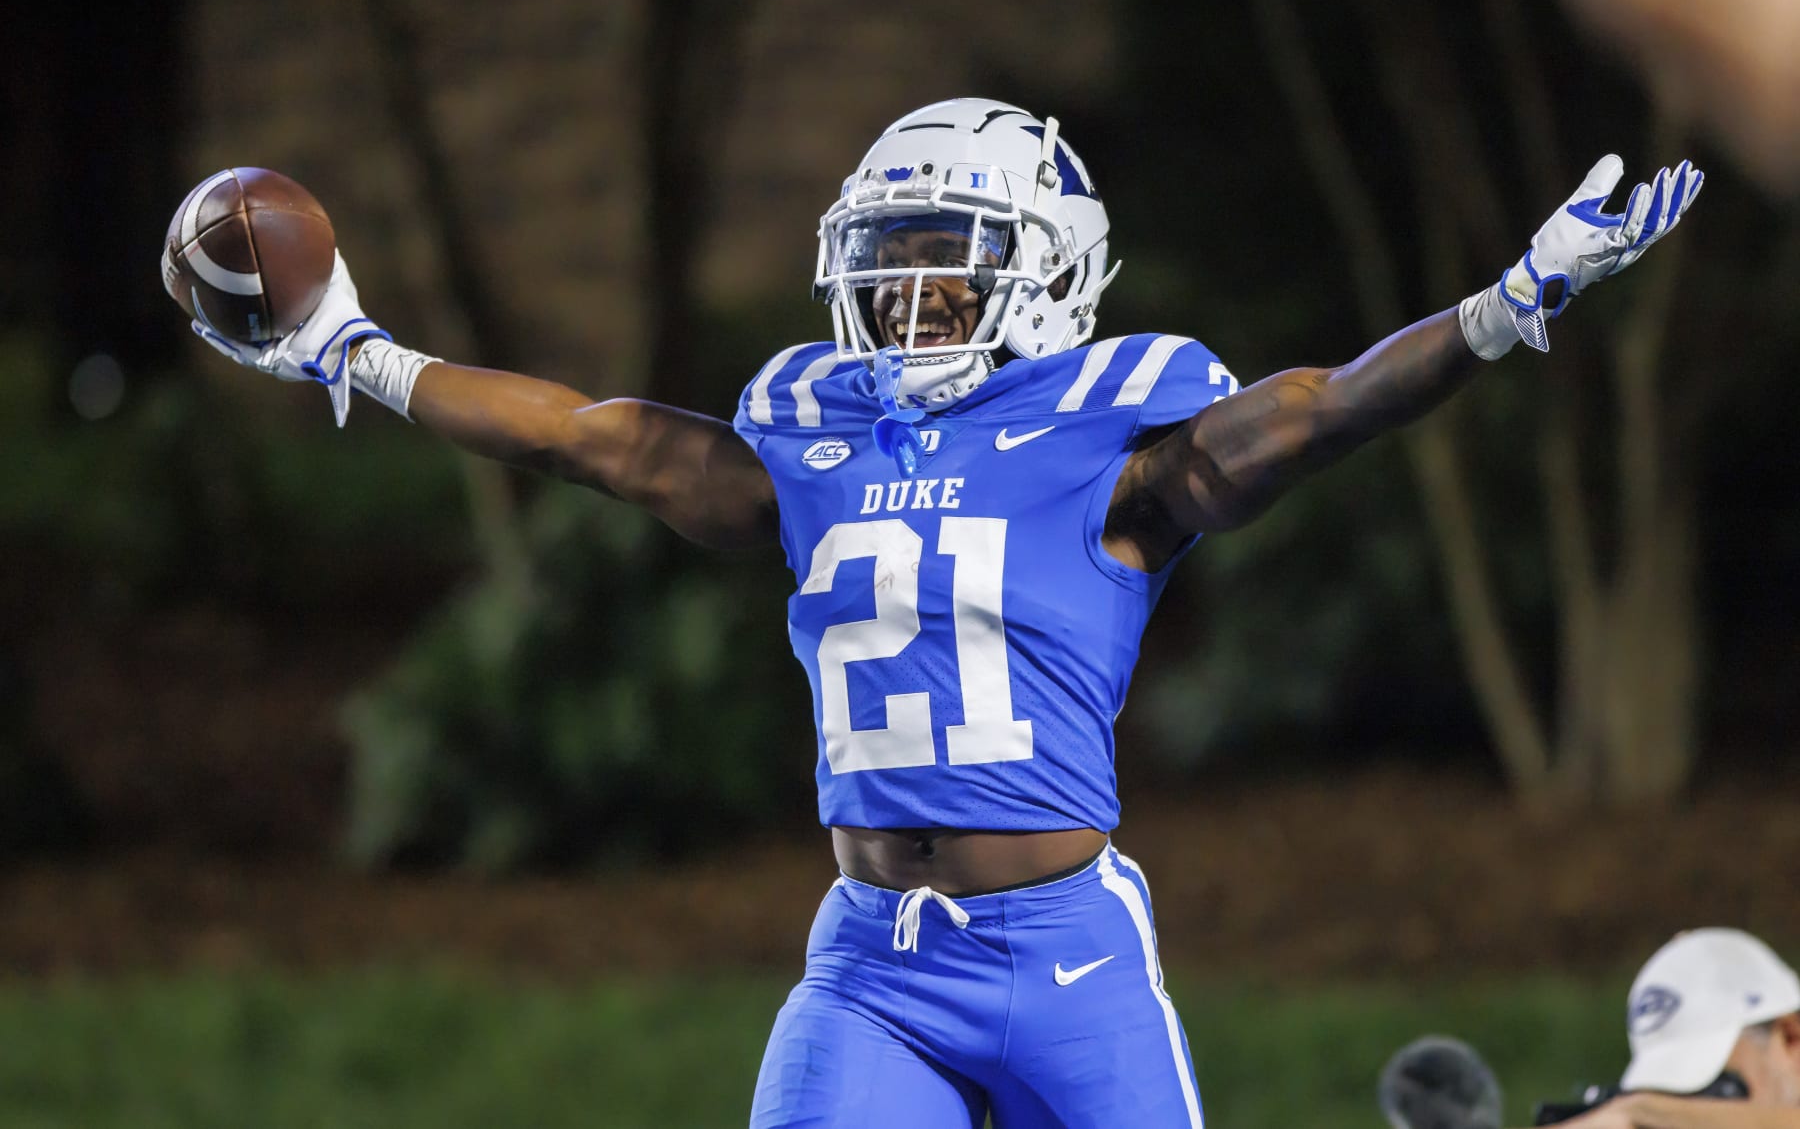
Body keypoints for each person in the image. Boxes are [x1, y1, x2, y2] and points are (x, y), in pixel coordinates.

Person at [186, 98, 1702, 1127]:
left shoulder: (1118, 443)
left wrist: (1503, 309)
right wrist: (355, 353)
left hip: (1064, 960)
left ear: (1049, 278)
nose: (909, 296)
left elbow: (1320, 414)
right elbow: (587, 434)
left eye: (949, 266)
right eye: (890, 262)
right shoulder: (815, 433)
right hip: (873, 963)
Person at [1548, 928, 1800, 1129]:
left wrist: (1639, 1113)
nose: (1688, 1114)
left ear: (1790, 1038)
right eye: (1666, 1095)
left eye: (1716, 1094)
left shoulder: (1639, 1113)